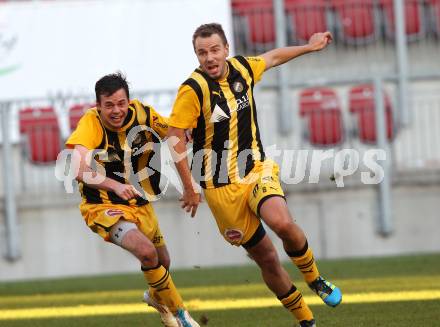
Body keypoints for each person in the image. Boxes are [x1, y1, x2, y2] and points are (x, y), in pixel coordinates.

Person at [167, 23, 341, 327]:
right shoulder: (192, 90)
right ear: (196, 55)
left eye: (214, 50)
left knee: (282, 222)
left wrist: (309, 47)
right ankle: (306, 320)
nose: (209, 58)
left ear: (226, 49)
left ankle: (315, 279)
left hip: (256, 170)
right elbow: (175, 135)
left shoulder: (243, 69)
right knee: (267, 258)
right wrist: (189, 187)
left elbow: (272, 58)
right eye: (201, 52)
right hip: (220, 190)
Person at [66, 72, 200, 327]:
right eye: (109, 105)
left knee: (163, 262)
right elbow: (79, 170)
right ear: (98, 105)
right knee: (147, 253)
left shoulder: (144, 115)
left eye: (121, 103)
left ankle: (155, 297)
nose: (116, 110)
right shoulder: (90, 123)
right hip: (102, 206)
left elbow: (173, 134)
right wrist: (114, 185)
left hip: (139, 203)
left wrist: (191, 136)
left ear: (129, 101)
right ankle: (182, 316)